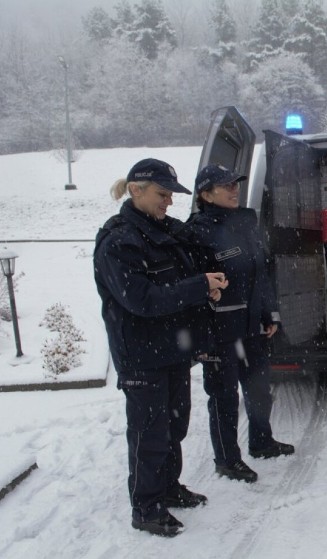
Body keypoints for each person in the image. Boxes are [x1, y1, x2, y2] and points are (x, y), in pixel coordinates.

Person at [94, 158, 228, 537]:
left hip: (170, 350)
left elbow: (192, 256)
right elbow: (142, 299)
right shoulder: (119, 239)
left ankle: (169, 487)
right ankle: (146, 507)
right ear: (136, 190)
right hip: (141, 356)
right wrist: (199, 286)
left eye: (170, 195)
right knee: (149, 433)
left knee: (174, 424)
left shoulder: (162, 230)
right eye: (162, 194)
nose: (168, 202)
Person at [181, 164, 294, 484]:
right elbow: (194, 288)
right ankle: (228, 460)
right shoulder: (196, 233)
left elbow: (261, 273)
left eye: (235, 184)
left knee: (259, 389)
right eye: (225, 185)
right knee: (224, 397)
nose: (234, 189)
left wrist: (268, 312)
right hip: (219, 332)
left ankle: (261, 442)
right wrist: (200, 335)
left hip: (251, 328)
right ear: (205, 194)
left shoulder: (246, 222)